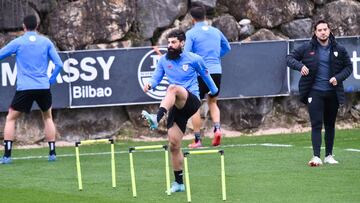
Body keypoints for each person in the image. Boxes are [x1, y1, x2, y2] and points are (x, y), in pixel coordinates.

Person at [141, 29, 218, 192]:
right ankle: (179, 183)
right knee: (174, 145)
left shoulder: (194, 59)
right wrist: (150, 84)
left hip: (192, 100)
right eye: (168, 42)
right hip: (177, 107)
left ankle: (157, 117)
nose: (170, 45)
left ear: (182, 43)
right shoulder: (163, 60)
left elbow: (205, 75)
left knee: (173, 88)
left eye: (173, 42)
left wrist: (213, 90)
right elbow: (156, 77)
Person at [286, 20, 352, 167]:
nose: (323, 32)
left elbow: (348, 67)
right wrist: (300, 66)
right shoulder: (307, 48)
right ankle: (316, 156)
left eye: (325, 29)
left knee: (330, 125)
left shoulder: (339, 49)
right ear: (315, 32)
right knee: (316, 124)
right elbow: (289, 58)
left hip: (332, 93)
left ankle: (329, 155)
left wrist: (338, 78)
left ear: (329, 30)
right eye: (320, 30)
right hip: (314, 92)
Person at [0, 15, 63, 164]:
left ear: (23, 26)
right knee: (47, 117)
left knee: (11, 118)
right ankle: (52, 153)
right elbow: (59, 64)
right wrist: (51, 80)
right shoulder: (46, 42)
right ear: (37, 26)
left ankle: (7, 156)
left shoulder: (18, 42)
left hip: (25, 88)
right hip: (43, 87)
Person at [184, 4, 231, 148]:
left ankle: (198, 140)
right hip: (216, 70)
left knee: (194, 107)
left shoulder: (191, 34)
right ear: (205, 17)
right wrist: (216, 57)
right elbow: (227, 47)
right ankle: (217, 129)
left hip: (199, 73)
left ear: (192, 19)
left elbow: (186, 54)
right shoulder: (216, 31)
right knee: (213, 102)